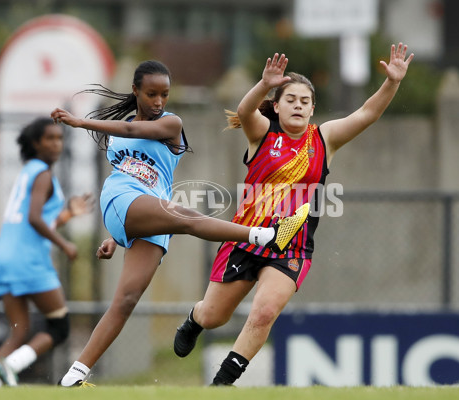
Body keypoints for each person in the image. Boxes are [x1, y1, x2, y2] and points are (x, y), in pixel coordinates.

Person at [50, 59, 309, 387]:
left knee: (127, 300)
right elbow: (128, 149)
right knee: (184, 217)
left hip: (147, 215)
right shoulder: (122, 132)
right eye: (151, 94)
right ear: (136, 91)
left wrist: (78, 122)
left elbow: (133, 133)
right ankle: (264, 236)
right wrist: (116, 235)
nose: (158, 102)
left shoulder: (171, 124)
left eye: (164, 94)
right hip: (122, 200)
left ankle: (75, 375)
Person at [173, 43, 414, 386]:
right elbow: (244, 111)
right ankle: (194, 319)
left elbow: (367, 113)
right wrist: (264, 84)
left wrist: (392, 82)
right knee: (214, 316)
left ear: (313, 108)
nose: (299, 106)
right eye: (291, 100)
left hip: (292, 246)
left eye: (305, 101)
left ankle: (222, 384)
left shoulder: (324, 138)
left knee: (265, 311)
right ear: (276, 105)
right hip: (246, 238)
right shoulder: (262, 132)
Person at [0, 117, 94, 388]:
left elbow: (36, 217)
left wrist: (66, 214)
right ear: (35, 143)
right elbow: (34, 218)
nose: (56, 144)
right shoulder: (43, 173)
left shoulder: (28, 171)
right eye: (49, 139)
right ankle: (10, 366)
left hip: (6, 258)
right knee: (59, 327)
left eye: (59, 138)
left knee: (19, 332)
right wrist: (65, 244)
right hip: (29, 260)